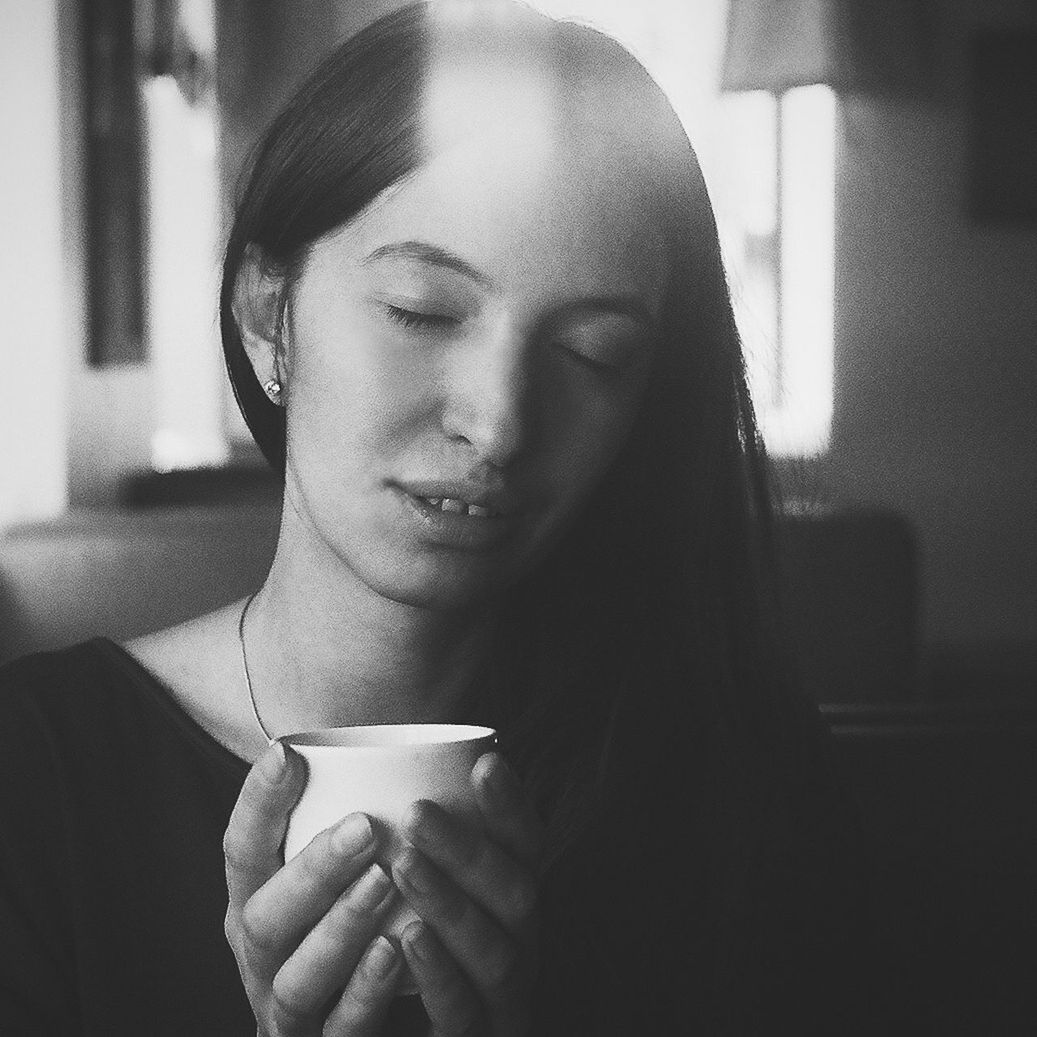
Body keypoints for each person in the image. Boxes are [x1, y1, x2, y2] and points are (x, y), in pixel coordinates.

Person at [0, 2, 877, 1034]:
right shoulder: (35, 774)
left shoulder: (740, 784)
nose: (499, 422)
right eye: (421, 309)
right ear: (264, 314)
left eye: (591, 352)